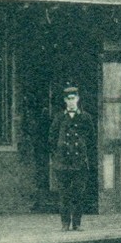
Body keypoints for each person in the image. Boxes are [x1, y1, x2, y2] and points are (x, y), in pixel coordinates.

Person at [49, 85, 92, 231]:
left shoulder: (85, 117)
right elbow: (52, 139)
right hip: (63, 163)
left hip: (79, 163)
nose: (71, 102)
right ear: (65, 101)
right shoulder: (59, 117)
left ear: (78, 99)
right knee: (64, 195)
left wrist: (84, 154)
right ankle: (65, 223)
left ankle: (77, 223)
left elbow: (91, 139)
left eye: (73, 98)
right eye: (68, 99)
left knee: (79, 194)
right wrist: (57, 156)